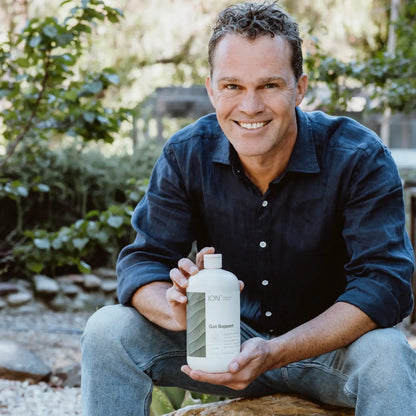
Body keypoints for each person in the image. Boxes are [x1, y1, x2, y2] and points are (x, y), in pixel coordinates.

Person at [81, 2, 416, 415]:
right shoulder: (187, 154)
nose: (250, 106)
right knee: (107, 330)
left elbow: (384, 284)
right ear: (211, 89)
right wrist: (176, 307)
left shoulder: (360, 157)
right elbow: (143, 264)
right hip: (219, 344)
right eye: (233, 86)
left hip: (329, 350)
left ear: (300, 87)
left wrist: (275, 351)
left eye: (270, 86)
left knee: (388, 353)